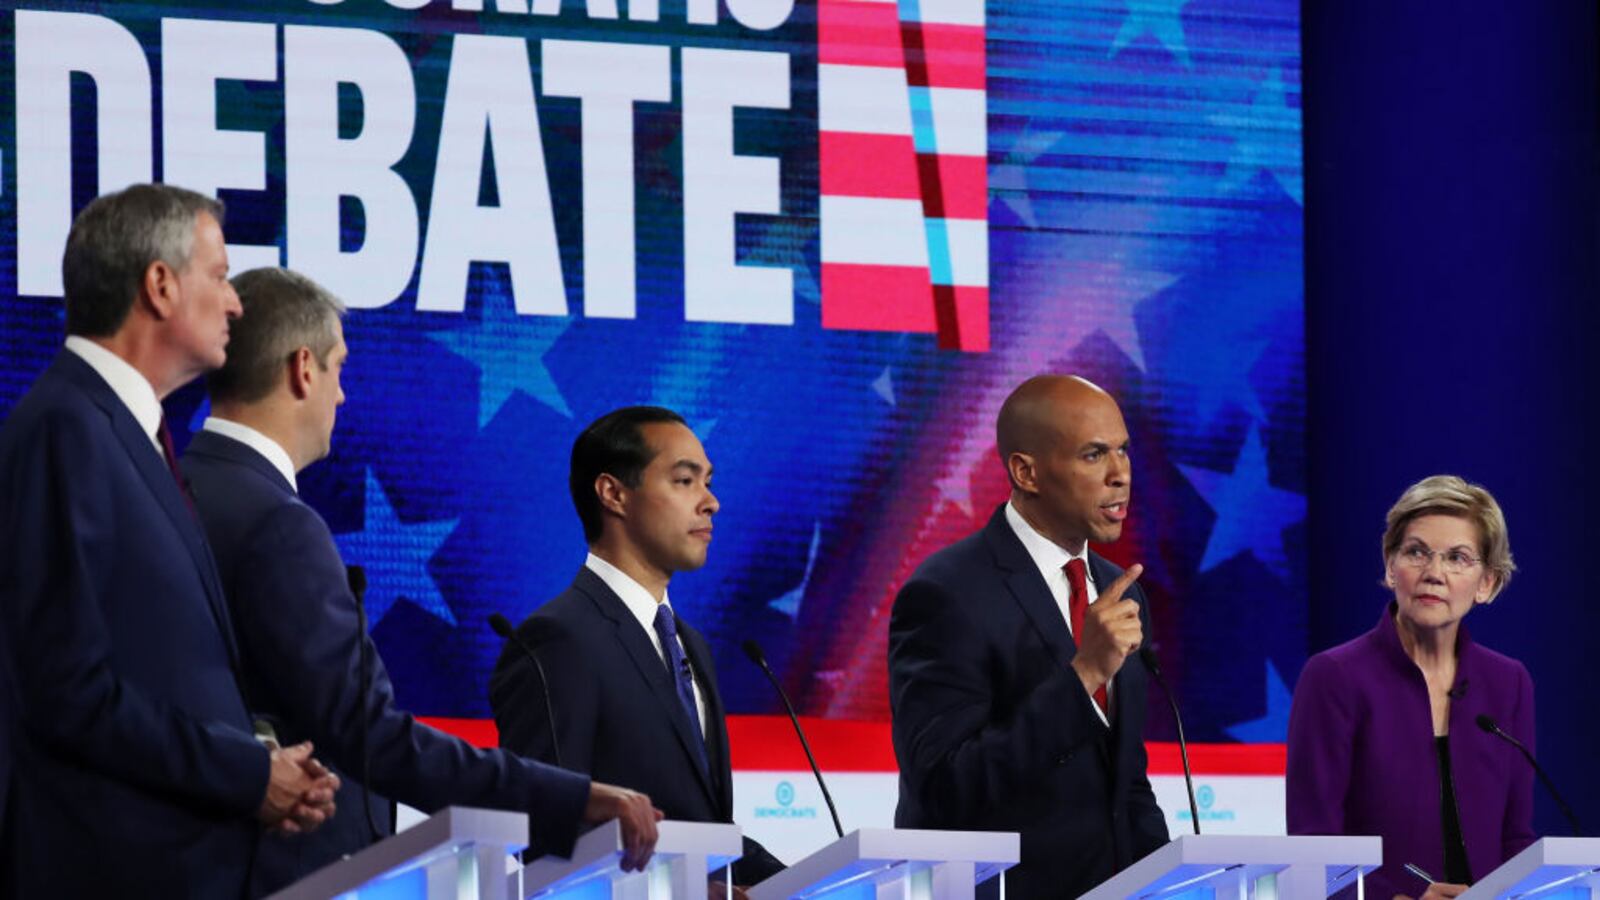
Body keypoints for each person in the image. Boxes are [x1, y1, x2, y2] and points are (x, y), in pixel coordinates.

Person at [180, 267, 663, 895]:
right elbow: (371, 736)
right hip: (276, 875)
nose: (342, 397)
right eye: (338, 368)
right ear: (303, 369)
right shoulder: (277, 524)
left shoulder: (170, 489)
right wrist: (575, 798)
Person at [0, 185, 338, 899]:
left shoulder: (130, 436)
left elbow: (157, 673)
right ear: (160, 285)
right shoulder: (67, 429)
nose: (236, 303)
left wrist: (258, 770)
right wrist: (247, 776)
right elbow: (68, 691)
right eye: (218, 277)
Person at [888, 374, 1168, 900]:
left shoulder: (1119, 590)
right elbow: (945, 789)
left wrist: (1169, 884)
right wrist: (1083, 675)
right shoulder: (947, 593)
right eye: (1093, 455)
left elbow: (1125, 781)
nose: (1120, 475)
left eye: (1124, 452)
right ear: (1026, 471)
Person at [489, 406, 785, 887]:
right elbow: (545, 831)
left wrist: (808, 883)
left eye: (708, 481)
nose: (711, 502)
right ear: (613, 494)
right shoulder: (556, 640)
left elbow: (707, 832)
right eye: (685, 481)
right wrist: (678, 890)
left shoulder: (693, 646)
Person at [1287, 475, 1534, 900]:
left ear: (1487, 583)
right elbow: (1313, 845)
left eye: (1458, 558)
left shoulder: (1508, 683)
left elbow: (1515, 837)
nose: (1434, 574)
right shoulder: (1333, 676)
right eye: (1417, 552)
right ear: (1389, 565)